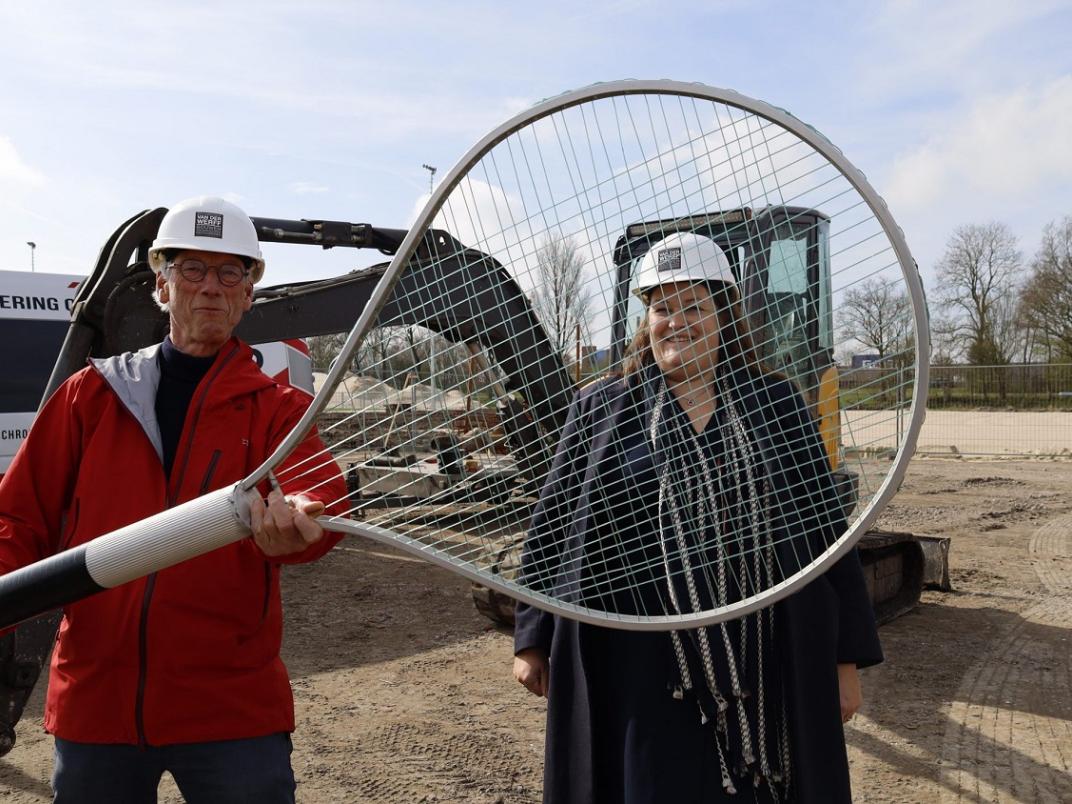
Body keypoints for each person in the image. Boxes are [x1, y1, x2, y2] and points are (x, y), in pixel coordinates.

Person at [512, 232, 882, 803]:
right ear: (645, 319)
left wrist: (845, 659)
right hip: (637, 664)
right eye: (663, 307)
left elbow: (826, 535)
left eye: (695, 307)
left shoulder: (777, 406)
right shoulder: (601, 409)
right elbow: (556, 521)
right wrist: (531, 637)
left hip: (764, 659)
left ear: (725, 316)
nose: (676, 322)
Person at [0, 196, 348, 803]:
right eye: (192, 269)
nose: (209, 287)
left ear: (248, 293)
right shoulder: (90, 396)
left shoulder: (280, 412)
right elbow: (17, 516)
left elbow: (319, 496)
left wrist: (305, 527)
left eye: (229, 273)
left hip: (231, 710)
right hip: (98, 702)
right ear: (161, 283)